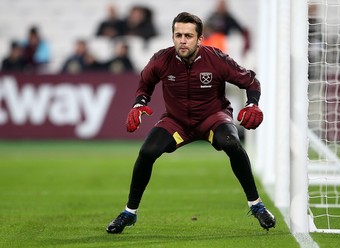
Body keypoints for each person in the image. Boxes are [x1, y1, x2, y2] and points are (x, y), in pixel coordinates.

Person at [106, 12, 276, 234]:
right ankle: (129, 213)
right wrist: (139, 104)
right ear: (173, 36)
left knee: (232, 144)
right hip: (177, 121)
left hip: (213, 118)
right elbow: (145, 84)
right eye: (178, 35)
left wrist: (252, 104)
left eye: (188, 35)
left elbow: (251, 81)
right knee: (147, 152)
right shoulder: (161, 59)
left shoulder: (217, 59)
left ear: (200, 39)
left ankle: (257, 206)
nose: (182, 40)